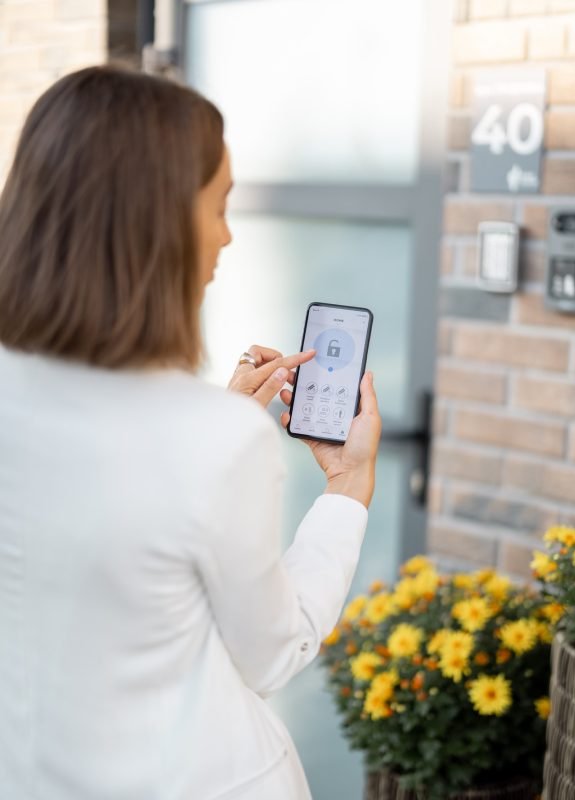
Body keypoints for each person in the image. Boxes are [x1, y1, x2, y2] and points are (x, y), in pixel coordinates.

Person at [0, 65, 381, 800]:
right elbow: (272, 653)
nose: (228, 237)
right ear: (155, 222)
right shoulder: (212, 442)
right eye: (219, 207)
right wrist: (348, 486)